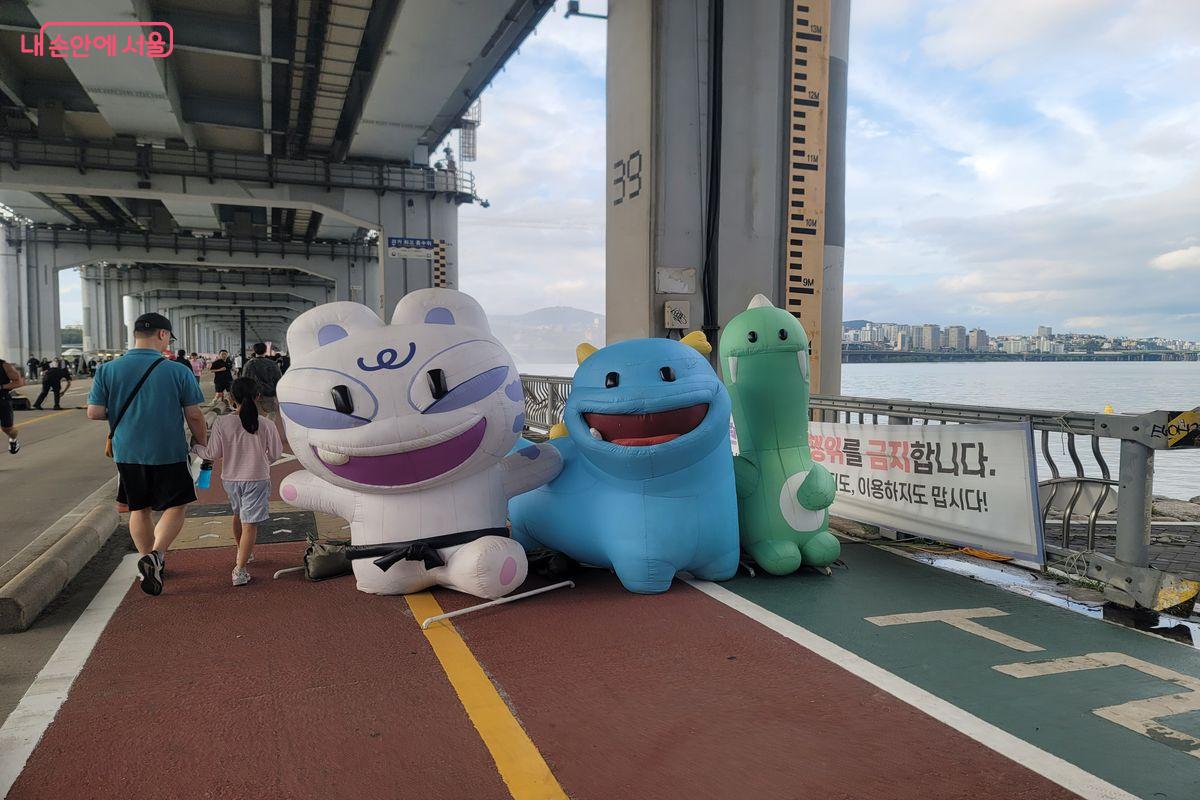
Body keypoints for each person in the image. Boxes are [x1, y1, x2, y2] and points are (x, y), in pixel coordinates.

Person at [87, 312, 208, 596]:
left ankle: (149, 562)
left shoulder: (107, 370)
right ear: (163, 335)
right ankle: (157, 554)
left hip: (127, 451)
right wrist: (202, 443)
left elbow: (94, 412)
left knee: (138, 508)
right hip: (169, 451)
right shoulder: (178, 370)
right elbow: (194, 415)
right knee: (176, 505)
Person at [191, 377, 282, 586]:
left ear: (232, 397)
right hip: (257, 478)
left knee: (238, 514)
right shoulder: (266, 424)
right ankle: (240, 570)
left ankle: (243, 552)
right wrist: (261, 460)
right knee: (250, 523)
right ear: (258, 396)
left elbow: (213, 453)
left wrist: (195, 447)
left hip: (230, 479)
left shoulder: (223, 422)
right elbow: (276, 453)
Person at [242, 342, 282, 419]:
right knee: (270, 416)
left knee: (254, 417)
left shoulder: (248, 364)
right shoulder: (272, 364)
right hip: (269, 394)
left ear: (254, 351)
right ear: (265, 350)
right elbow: (278, 380)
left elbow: (244, 380)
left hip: (253, 395)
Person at [1, 357, 24, 454]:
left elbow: (19, 382)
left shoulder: (4, 366)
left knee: (8, 429)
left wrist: (2, 387)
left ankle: (13, 440)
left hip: (2, 400)